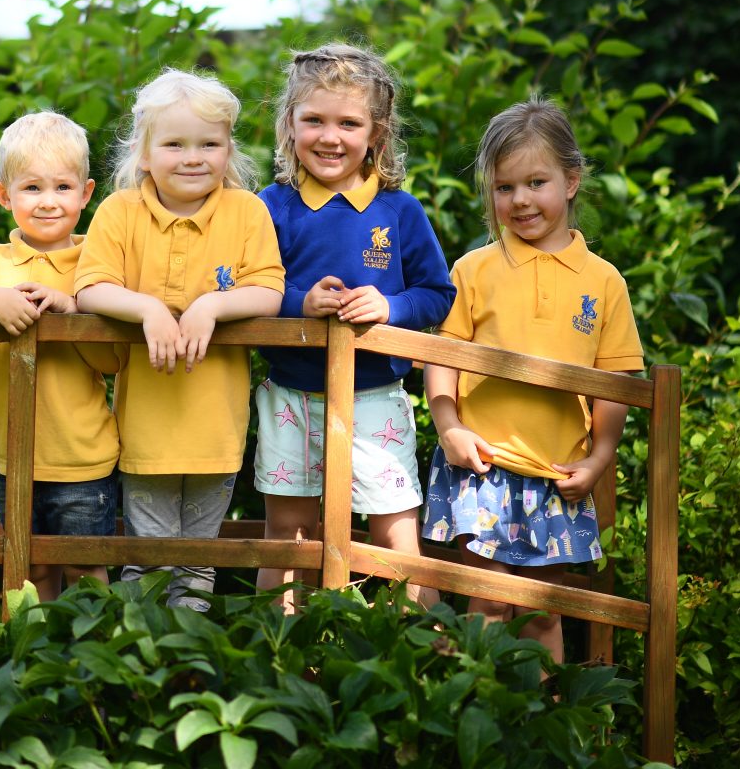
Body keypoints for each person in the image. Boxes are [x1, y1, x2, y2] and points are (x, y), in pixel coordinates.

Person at [422, 95, 644, 663]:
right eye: (503, 187)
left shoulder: (603, 281)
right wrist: (449, 427)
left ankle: (546, 730)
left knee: (545, 613)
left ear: (571, 181)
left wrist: (599, 459)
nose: (520, 200)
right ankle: (475, 719)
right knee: (487, 604)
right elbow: (442, 356)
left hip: (557, 473)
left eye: (536, 182)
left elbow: (614, 380)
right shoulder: (474, 270)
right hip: (484, 466)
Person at [253, 44, 456, 611]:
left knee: (395, 531)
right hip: (291, 394)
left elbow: (437, 296)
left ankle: (423, 644)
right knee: (288, 533)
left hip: (375, 399)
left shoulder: (399, 211)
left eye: (349, 122)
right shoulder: (270, 208)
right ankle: (278, 646)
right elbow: (242, 291)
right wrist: (297, 303)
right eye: (313, 119)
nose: (330, 136)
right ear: (288, 127)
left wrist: (389, 308)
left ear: (378, 134)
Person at [73, 69, 285, 610]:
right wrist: (147, 308)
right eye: (175, 144)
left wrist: (212, 304)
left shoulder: (246, 211)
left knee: (197, 558)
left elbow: (268, 290)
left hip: (216, 427)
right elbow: (90, 287)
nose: (193, 157)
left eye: (209, 144)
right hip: (147, 425)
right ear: (144, 153)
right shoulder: (121, 212)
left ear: (228, 149)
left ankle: (186, 667)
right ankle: (143, 660)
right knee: (149, 556)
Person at [0, 111, 120, 601]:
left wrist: (73, 310)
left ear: (86, 194)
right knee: (29, 571)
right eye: (32, 188)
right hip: (13, 455)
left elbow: (113, 361)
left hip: (82, 457)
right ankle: (34, 668)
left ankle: (92, 669)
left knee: (87, 573)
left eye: (63, 188)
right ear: (4, 195)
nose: (47, 202)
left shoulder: (96, 261)